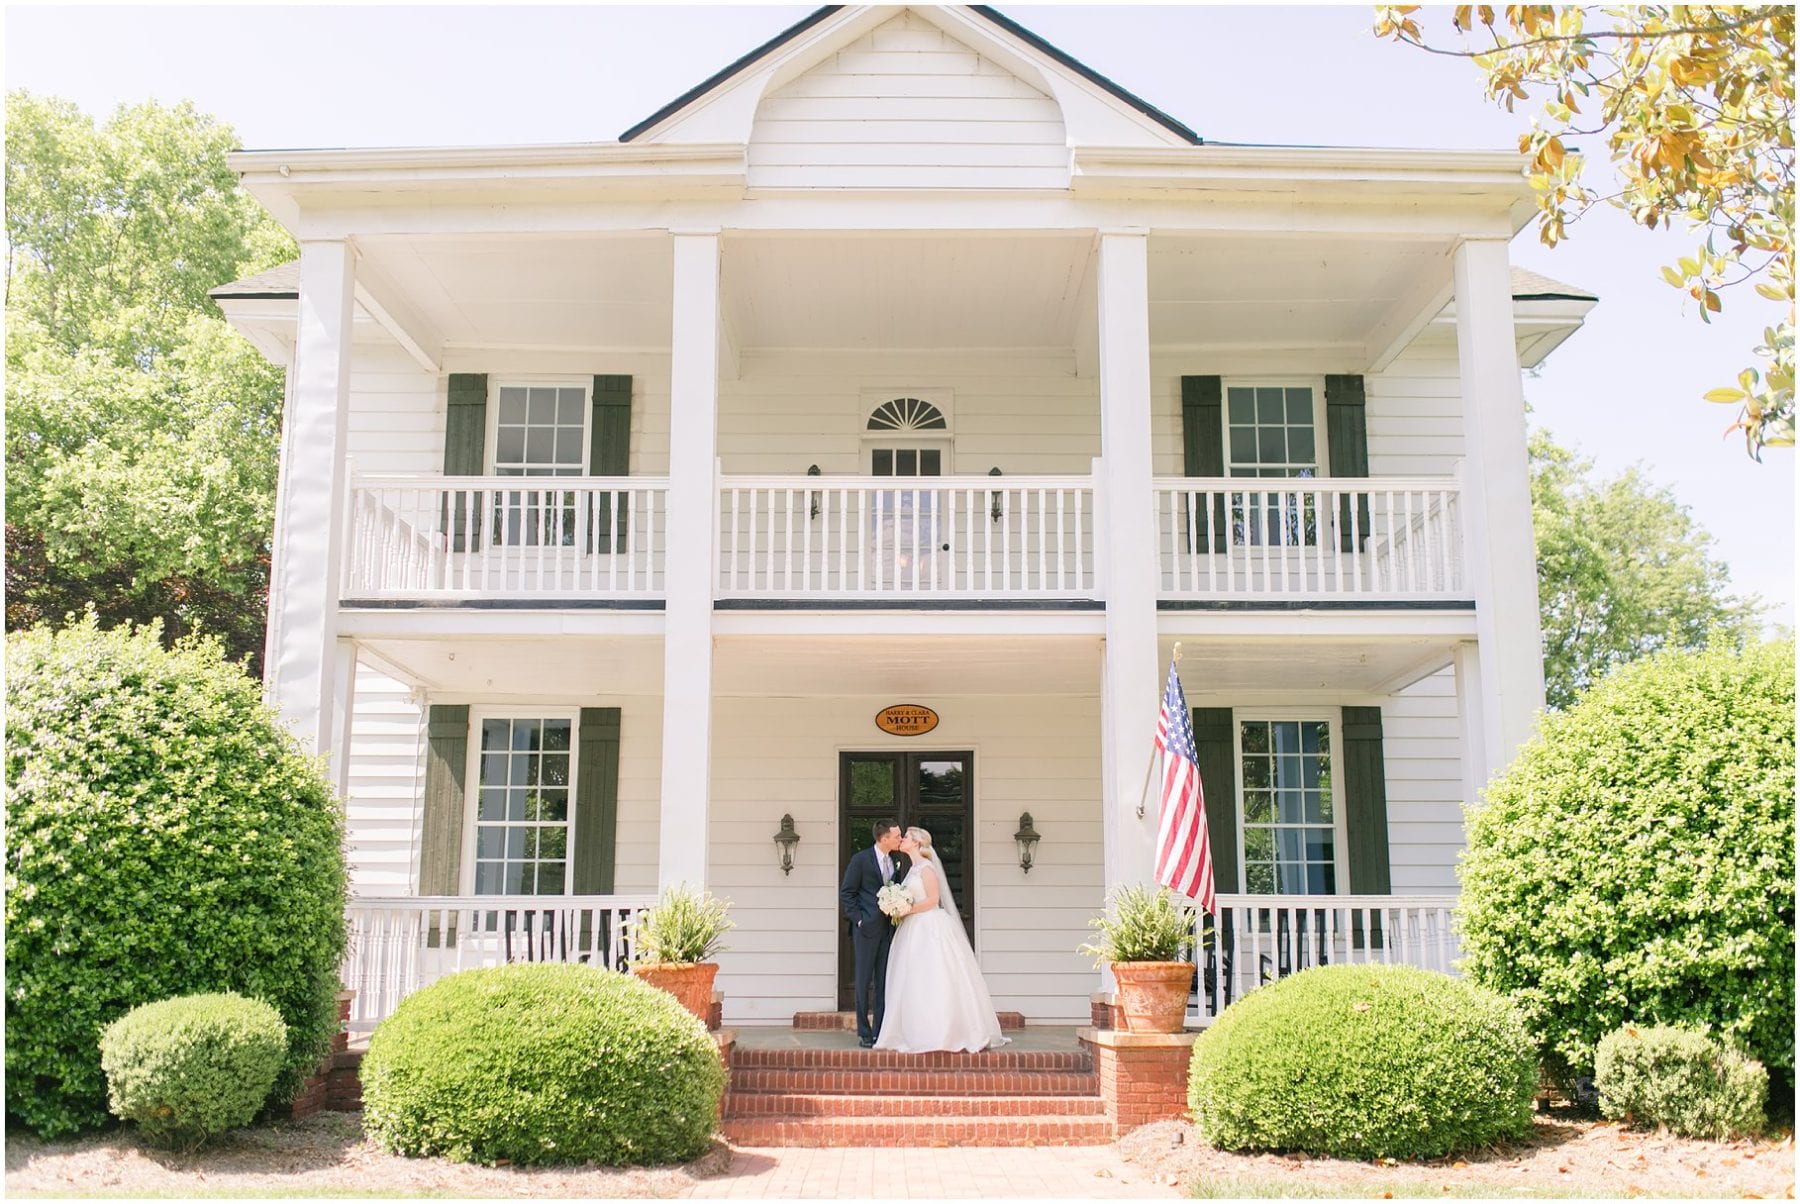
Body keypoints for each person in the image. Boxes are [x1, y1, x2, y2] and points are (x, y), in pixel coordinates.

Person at [875, 826, 1011, 1053]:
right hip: (912, 929)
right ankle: (916, 1031)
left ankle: (945, 1032)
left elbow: (932, 900)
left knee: (934, 976)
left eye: (906, 837)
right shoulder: (912, 869)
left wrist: (905, 910)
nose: (903, 840)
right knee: (912, 979)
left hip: (929, 927)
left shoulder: (927, 869)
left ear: (917, 842)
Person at [838, 818, 909, 1048]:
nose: (900, 839)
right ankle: (864, 1031)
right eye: (897, 835)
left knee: (882, 982)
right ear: (884, 837)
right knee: (863, 981)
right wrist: (859, 920)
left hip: (887, 931)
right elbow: (847, 893)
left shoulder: (894, 861)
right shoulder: (860, 860)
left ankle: (880, 1030)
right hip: (866, 931)